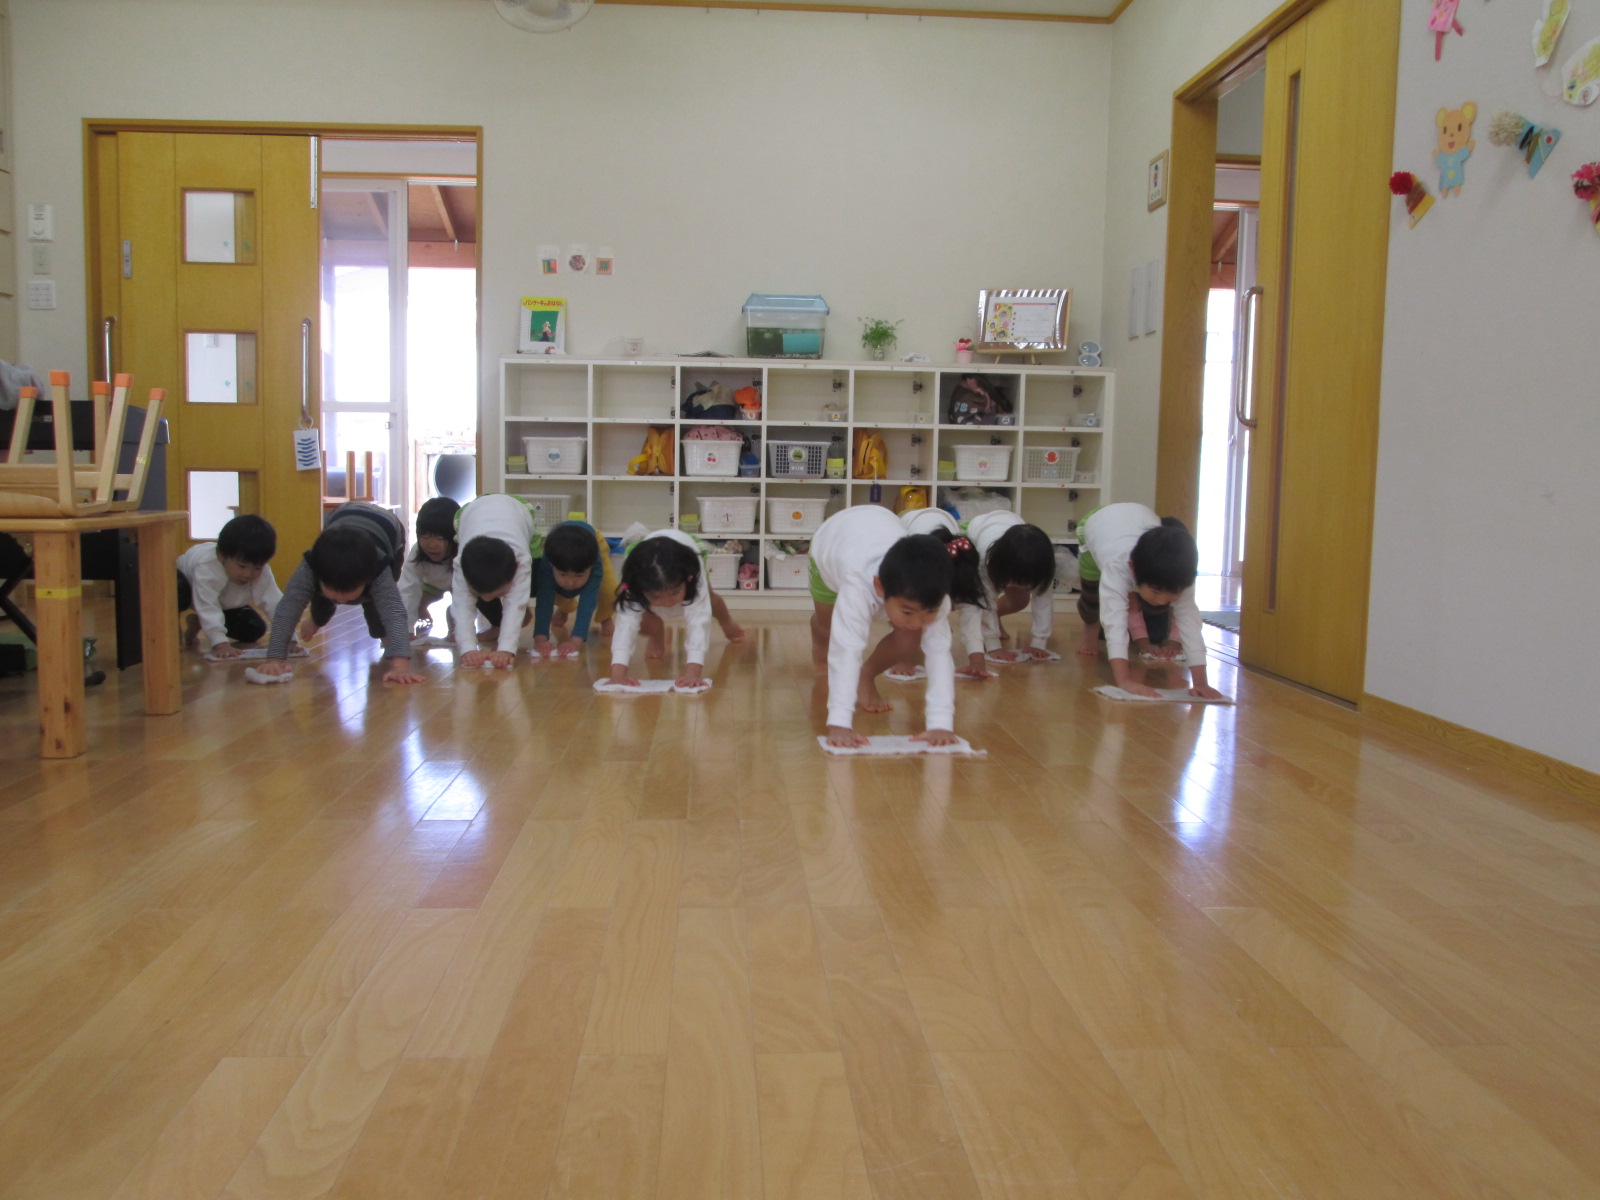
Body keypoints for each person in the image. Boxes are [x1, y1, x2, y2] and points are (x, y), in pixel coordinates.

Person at [809, 505, 957, 748]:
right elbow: (847, 649)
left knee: (909, 637)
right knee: (829, 628)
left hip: (878, 524)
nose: (917, 622)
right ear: (879, 587)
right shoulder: (857, 586)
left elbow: (940, 654)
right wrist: (839, 724)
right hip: (830, 542)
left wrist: (940, 723)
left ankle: (865, 676)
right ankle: (817, 631)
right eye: (908, 612)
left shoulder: (936, 596)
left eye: (928, 612)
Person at [260, 501, 421, 684]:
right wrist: (275, 659)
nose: (342, 601)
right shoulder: (311, 566)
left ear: (367, 579)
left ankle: (388, 642)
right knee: (319, 596)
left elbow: (394, 612)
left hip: (388, 526)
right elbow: (288, 607)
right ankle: (318, 618)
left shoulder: (379, 569)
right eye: (334, 593)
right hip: (343, 516)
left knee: (378, 605)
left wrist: (400, 666)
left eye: (349, 592)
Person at [1074, 502, 1223, 700]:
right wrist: (1125, 681)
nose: (1161, 601)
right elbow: (1114, 622)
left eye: (1172, 595)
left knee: (1157, 606)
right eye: (1155, 591)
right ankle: (1090, 630)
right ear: (1133, 568)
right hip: (1094, 524)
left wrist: (1201, 683)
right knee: (1092, 596)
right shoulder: (1117, 566)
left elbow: (1190, 623)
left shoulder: (1181, 575)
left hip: (1137, 516)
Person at [607, 530, 744, 690]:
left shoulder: (693, 575)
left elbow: (699, 623)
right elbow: (625, 625)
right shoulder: (635, 582)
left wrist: (693, 673)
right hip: (644, 561)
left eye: (675, 592)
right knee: (641, 616)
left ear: (688, 580)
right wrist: (618, 674)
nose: (668, 603)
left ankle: (727, 622)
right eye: (656, 597)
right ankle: (656, 631)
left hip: (687, 552)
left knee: (710, 600)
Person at [893, 507, 990, 679]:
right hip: (907, 523)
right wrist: (901, 659)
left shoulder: (966, 576)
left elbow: (972, 621)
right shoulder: (912, 568)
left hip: (942, 521)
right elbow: (900, 615)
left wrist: (977, 663)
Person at [450, 493, 541, 669]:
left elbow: (515, 605)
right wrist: (468, 649)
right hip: (471, 512)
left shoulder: (521, 561)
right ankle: (497, 623)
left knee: (529, 584)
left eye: (499, 593)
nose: (486, 600)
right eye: (478, 593)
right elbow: (461, 608)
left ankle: (509, 619)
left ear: (516, 568)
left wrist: (506, 649)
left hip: (517, 511)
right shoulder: (461, 565)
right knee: (472, 597)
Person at [176, 513, 281, 659]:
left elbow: (275, 602)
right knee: (177, 587)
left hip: (223, 601)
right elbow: (207, 605)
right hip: (187, 590)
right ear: (221, 556)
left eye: (257, 567)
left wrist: (289, 638)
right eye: (242, 566)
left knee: (253, 630)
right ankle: (174, 628)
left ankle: (197, 621)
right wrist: (220, 644)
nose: (248, 574)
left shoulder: (262, 571)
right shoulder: (207, 566)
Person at [965, 511, 1057, 662]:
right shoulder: (984, 562)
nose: (1019, 586)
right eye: (1015, 581)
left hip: (1012, 524)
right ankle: (990, 630)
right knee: (982, 600)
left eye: (1025, 583)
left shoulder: (1041, 565)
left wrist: (1039, 643)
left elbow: (1044, 603)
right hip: (979, 527)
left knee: (1019, 602)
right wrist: (993, 645)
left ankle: (996, 619)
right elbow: (985, 603)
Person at [532, 519, 617, 658]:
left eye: (579, 575)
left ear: (590, 568)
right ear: (552, 566)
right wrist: (540, 640)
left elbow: (587, 602)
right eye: (563, 574)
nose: (570, 583)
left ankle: (605, 616)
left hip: (594, 542)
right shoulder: (548, 564)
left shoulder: (594, 565)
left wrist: (576, 640)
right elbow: (544, 601)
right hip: (559, 544)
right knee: (555, 592)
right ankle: (565, 608)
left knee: (609, 591)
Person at [398, 497, 460, 640]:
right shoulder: (416, 554)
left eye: (440, 538)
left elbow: (467, 598)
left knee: (457, 616)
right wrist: (405, 631)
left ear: (454, 537)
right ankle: (423, 611)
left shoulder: (463, 551)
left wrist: (461, 630)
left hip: (460, 585)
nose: (432, 545)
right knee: (415, 605)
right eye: (425, 537)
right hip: (431, 584)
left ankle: (454, 622)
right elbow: (408, 591)